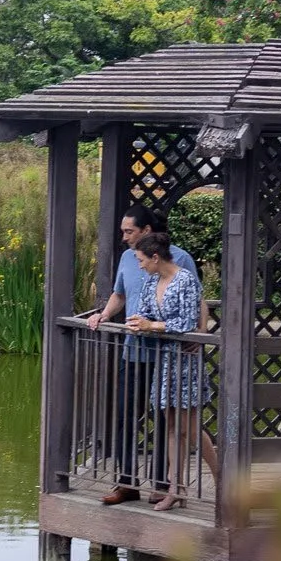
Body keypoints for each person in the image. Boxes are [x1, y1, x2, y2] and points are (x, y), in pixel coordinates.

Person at [87, 204, 201, 504]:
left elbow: (197, 300)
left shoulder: (181, 259)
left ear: (147, 232)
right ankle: (127, 483)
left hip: (167, 355)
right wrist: (103, 315)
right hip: (133, 351)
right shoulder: (128, 258)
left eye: (129, 231)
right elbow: (120, 294)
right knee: (126, 416)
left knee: (167, 421)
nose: (124, 237)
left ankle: (163, 484)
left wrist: (198, 337)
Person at [126, 231, 218, 511]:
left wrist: (152, 326)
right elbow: (144, 312)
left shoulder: (185, 281)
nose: (139, 264)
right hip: (165, 358)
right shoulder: (152, 280)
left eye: (142, 259)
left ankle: (222, 476)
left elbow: (187, 322)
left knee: (189, 426)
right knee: (171, 425)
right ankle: (176, 487)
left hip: (186, 361)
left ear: (156, 257)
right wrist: (140, 323)